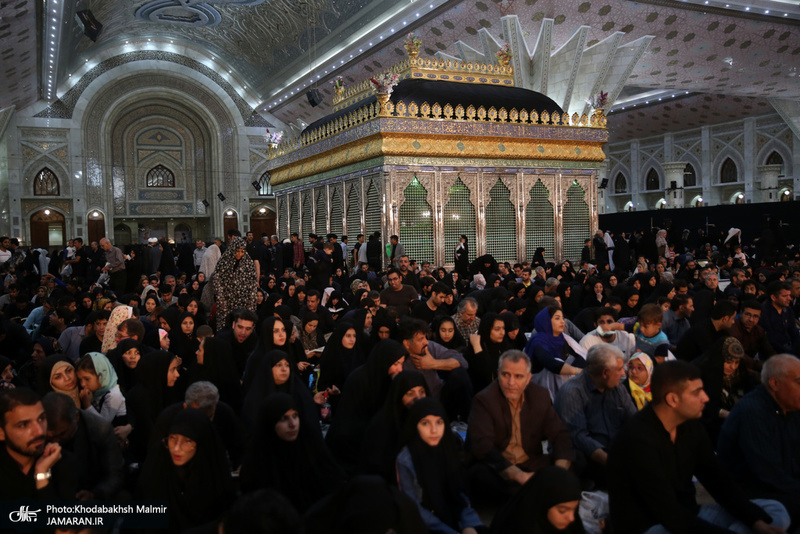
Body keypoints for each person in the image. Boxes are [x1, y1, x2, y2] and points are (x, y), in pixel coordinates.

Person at [607, 360, 791, 534]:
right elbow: (669, 515)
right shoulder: (637, 439)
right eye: (697, 392)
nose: (705, 398)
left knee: (773, 511)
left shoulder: (690, 425)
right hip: (652, 526)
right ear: (672, 399)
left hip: (689, 516)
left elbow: (718, 480)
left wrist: (756, 522)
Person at [467, 350, 573, 500]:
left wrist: (559, 473)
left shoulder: (540, 395)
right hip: (499, 467)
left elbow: (559, 434)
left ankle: (540, 488)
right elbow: (482, 446)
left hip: (530, 462)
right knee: (480, 476)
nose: (511, 383)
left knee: (574, 458)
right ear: (498, 374)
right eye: (505, 375)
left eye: (518, 376)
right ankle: (535, 492)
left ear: (528, 378)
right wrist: (518, 475)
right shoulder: (484, 400)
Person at [717, 354, 800, 526]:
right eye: (798, 382)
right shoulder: (752, 412)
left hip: (781, 487)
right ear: (775, 383)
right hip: (751, 494)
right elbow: (768, 473)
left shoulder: (791, 409)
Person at [240, 392, 344, 512]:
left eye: (295, 416)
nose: (292, 424)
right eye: (284, 418)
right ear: (270, 423)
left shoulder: (312, 451)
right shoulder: (257, 464)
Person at [396, 397, 487, 534]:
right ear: (415, 425)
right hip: (423, 525)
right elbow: (415, 509)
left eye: (439, 422)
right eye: (425, 423)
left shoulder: (446, 448)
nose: (434, 430)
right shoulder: (406, 460)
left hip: (452, 518)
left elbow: (459, 494)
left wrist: (468, 525)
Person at [138, 408, 236, 532]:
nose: (176, 448)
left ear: (201, 444)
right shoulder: (157, 469)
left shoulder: (214, 477)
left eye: (187, 441)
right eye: (172, 438)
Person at [554, 344, 635, 487]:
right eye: (619, 369)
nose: (623, 373)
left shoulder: (617, 388)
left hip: (615, 452)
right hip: (589, 458)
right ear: (605, 373)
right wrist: (612, 463)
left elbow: (634, 420)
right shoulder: (573, 392)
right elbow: (579, 437)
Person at [325, 339, 407, 475]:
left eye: (402, 364)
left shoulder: (389, 380)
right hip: (351, 449)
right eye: (396, 364)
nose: (400, 369)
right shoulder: (360, 379)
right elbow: (349, 420)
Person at [42, 391, 125, 500]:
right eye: (50, 437)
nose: (56, 441)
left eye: (62, 433)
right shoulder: (37, 434)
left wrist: (95, 494)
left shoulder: (100, 429)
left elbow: (115, 474)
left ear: (76, 417)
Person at [0, 388, 76, 500]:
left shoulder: (62, 462)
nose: (39, 431)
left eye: (41, 419)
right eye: (23, 425)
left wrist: (42, 476)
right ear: (1, 433)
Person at [359, 370, 430, 481]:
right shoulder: (382, 425)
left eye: (422, 392)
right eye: (410, 394)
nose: (418, 398)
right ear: (399, 395)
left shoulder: (427, 419)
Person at [490, 466, 585, 534]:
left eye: (575, 509)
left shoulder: (572, 526)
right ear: (542, 504)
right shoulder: (515, 526)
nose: (571, 518)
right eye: (562, 511)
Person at [524, 306, 586, 402]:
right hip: (542, 396)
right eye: (557, 318)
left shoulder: (565, 338)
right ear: (546, 322)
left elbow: (582, 357)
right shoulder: (537, 342)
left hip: (567, 391)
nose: (562, 322)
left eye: (562, 318)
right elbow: (552, 364)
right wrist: (578, 371)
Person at [212, 236, 257, 330]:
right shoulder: (223, 262)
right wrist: (221, 299)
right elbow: (217, 280)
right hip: (226, 302)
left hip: (243, 302)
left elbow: (253, 283)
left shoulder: (248, 263)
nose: (240, 254)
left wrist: (251, 302)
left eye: (242, 251)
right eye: (238, 251)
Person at [75, 352, 127, 426]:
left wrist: (87, 405)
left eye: (87, 379)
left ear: (101, 376)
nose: (82, 384)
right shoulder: (96, 391)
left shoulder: (114, 395)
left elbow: (102, 424)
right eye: (80, 380)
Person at [465, 312, 511, 393]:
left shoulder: (504, 345)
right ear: (487, 329)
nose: (502, 332)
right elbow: (484, 374)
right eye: (497, 329)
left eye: (503, 328)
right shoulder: (475, 348)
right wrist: (477, 347)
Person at [759, 281, 800, 356]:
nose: (789, 299)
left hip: (790, 346)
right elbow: (769, 339)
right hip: (773, 351)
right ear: (773, 297)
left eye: (789, 295)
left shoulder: (788, 309)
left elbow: (794, 332)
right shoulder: (764, 312)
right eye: (785, 296)